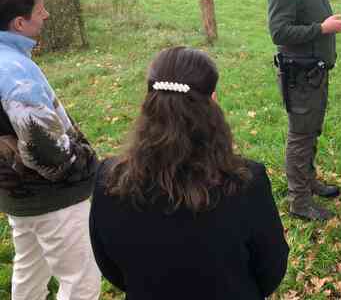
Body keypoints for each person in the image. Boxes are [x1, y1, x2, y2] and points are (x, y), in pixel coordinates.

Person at [89, 47, 289, 299]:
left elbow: (109, 265)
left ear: (149, 102)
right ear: (213, 101)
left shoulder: (109, 180)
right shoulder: (246, 181)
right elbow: (271, 267)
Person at [0, 0, 101, 300]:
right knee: (81, 281)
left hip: (17, 192)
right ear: (18, 22)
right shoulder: (15, 73)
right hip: (51, 198)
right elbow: (46, 151)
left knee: (29, 272)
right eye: (40, 8)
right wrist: (84, 164)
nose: (46, 14)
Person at [268, 0, 341, 221]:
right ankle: (299, 202)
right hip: (300, 75)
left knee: (311, 130)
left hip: (315, 71)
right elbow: (279, 32)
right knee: (300, 136)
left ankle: (309, 181)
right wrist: (322, 28)